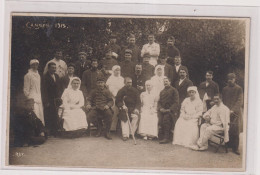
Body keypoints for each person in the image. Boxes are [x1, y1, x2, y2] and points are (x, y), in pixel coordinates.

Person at [222, 73, 243, 155]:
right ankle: (228, 144)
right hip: (227, 112)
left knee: (235, 130)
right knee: (227, 128)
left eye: (232, 79)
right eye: (229, 79)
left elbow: (240, 101)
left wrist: (233, 110)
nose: (230, 80)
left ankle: (235, 148)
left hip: (236, 112)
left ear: (235, 79)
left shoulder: (239, 88)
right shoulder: (224, 89)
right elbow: (223, 100)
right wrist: (225, 109)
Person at [42, 62, 62, 136]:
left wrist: (59, 97)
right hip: (49, 99)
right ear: (48, 68)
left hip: (56, 99)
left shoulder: (56, 76)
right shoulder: (45, 77)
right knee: (49, 115)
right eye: (52, 68)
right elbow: (44, 90)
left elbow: (58, 88)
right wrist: (46, 101)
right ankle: (50, 131)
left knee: (55, 114)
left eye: (55, 68)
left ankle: (55, 131)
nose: (54, 69)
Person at [157, 77, 179, 144]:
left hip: (171, 110)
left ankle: (166, 138)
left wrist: (169, 109)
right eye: (164, 82)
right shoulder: (162, 91)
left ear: (170, 82)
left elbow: (176, 102)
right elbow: (159, 102)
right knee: (159, 119)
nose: (165, 83)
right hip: (163, 110)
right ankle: (161, 136)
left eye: (166, 81)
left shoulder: (174, 90)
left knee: (166, 119)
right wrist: (160, 108)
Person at [23, 59, 44, 125]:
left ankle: (40, 130)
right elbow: (26, 88)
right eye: (33, 65)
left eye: (36, 64)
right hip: (32, 97)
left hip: (38, 96)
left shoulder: (38, 75)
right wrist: (29, 98)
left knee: (40, 112)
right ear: (30, 65)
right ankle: (34, 130)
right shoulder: (28, 75)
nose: (35, 66)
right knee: (34, 112)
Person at [106, 65, 125, 131]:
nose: (117, 72)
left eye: (118, 70)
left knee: (120, 111)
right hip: (112, 97)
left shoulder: (122, 79)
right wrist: (114, 95)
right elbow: (109, 88)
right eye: (116, 70)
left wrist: (120, 95)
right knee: (113, 111)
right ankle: (112, 128)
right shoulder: (110, 79)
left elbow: (123, 88)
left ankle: (120, 128)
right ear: (113, 71)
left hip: (120, 97)